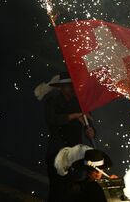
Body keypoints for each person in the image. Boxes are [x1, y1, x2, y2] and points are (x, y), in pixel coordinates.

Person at [41, 71, 96, 202]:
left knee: (73, 190)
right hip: (57, 151)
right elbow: (53, 120)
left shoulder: (79, 103)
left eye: (72, 85)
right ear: (60, 87)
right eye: (68, 85)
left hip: (75, 153)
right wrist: (75, 116)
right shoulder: (52, 101)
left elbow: (88, 124)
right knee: (57, 190)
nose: (71, 88)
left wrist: (91, 131)